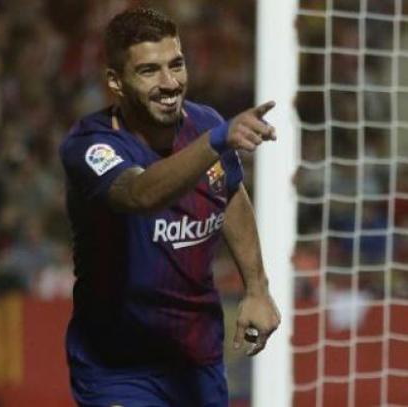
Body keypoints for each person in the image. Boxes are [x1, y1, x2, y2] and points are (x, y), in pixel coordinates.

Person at [59, 8, 281, 406]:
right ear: (116, 81)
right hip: (118, 367)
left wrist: (257, 288)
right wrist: (216, 142)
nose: (169, 83)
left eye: (175, 65)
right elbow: (139, 194)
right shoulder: (91, 145)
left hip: (196, 360)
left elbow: (230, 193)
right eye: (148, 71)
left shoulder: (205, 124)